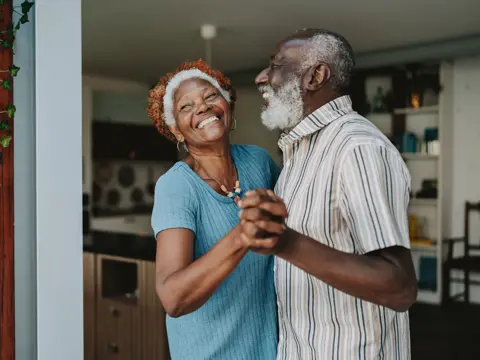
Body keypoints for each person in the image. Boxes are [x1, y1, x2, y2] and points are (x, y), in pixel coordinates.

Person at [237, 29, 418, 359]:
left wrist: (285, 242)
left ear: (315, 76)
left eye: (276, 64)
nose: (262, 76)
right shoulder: (299, 153)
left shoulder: (357, 148)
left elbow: (399, 286)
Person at [147, 59, 279, 360]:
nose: (203, 108)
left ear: (227, 105)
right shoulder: (177, 187)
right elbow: (173, 298)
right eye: (186, 107)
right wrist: (242, 235)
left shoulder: (258, 162)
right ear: (176, 130)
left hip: (270, 351)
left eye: (210, 97)